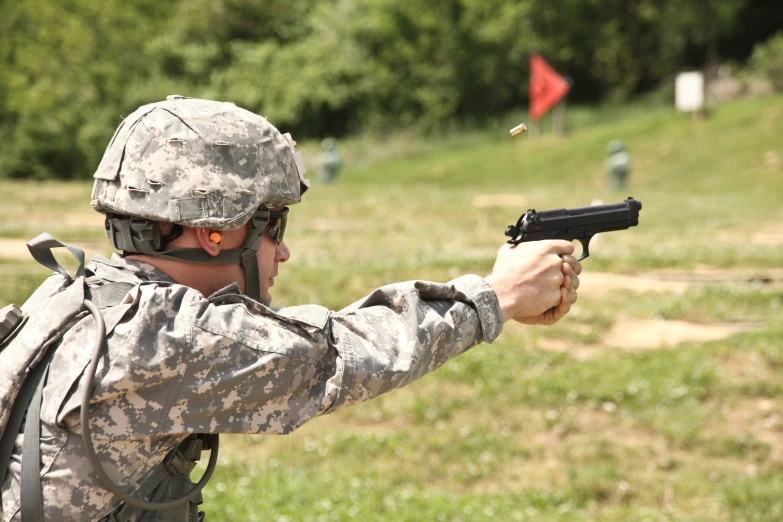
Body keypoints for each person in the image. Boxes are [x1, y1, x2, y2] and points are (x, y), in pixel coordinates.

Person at [0, 96, 580, 522]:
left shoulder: (73, 295)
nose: (283, 251)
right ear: (217, 234)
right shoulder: (164, 340)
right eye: (273, 225)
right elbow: (338, 354)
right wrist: (495, 297)